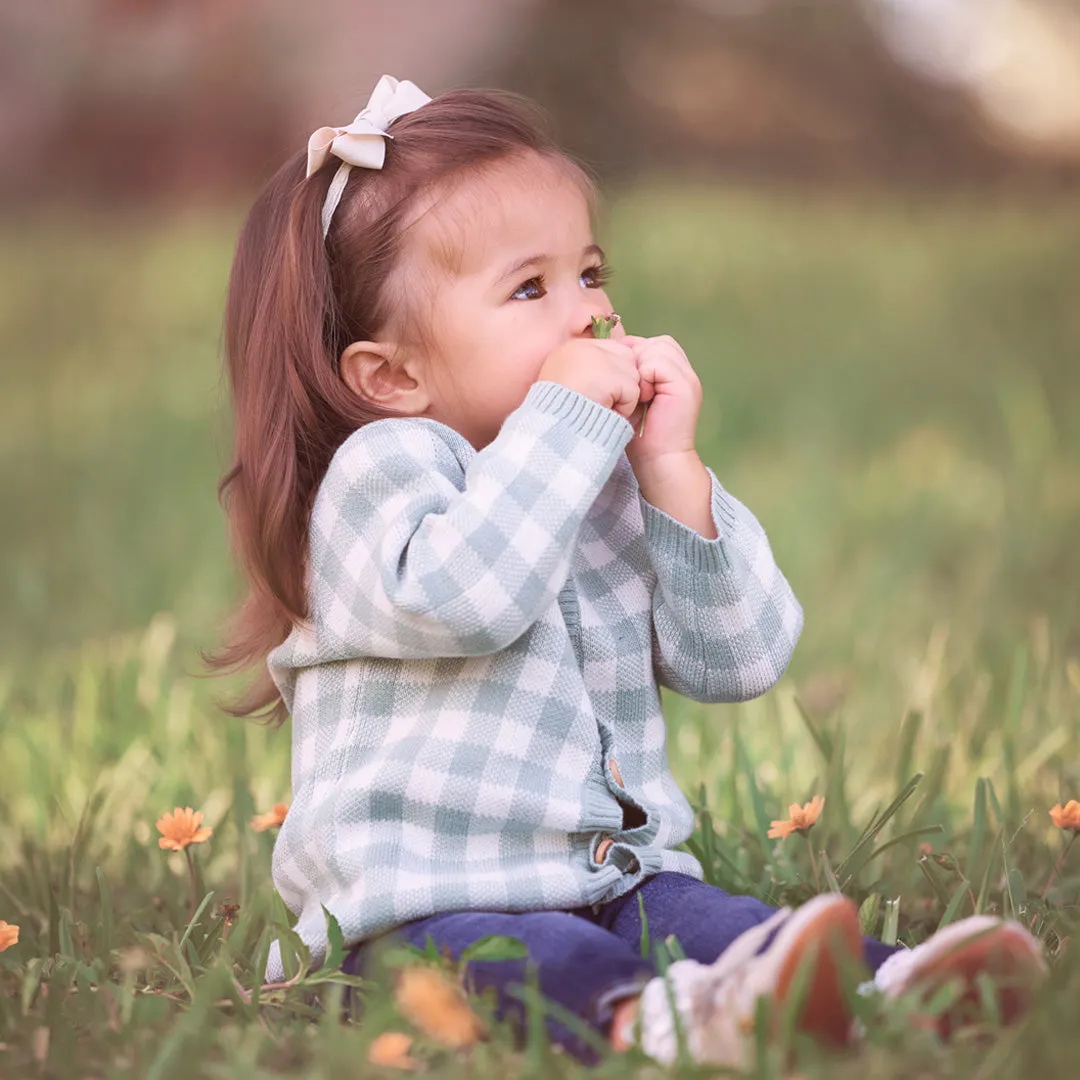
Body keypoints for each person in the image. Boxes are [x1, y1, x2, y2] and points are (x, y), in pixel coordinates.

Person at [213, 75, 1047, 1068]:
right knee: (536, 955)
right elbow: (466, 600)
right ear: (393, 376)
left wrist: (668, 471)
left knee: (707, 917)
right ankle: (671, 1023)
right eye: (531, 289)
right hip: (417, 909)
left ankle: (877, 987)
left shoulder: (593, 475)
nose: (587, 317)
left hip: (617, 876)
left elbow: (736, 659)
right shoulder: (382, 475)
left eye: (592, 275)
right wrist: (567, 430)